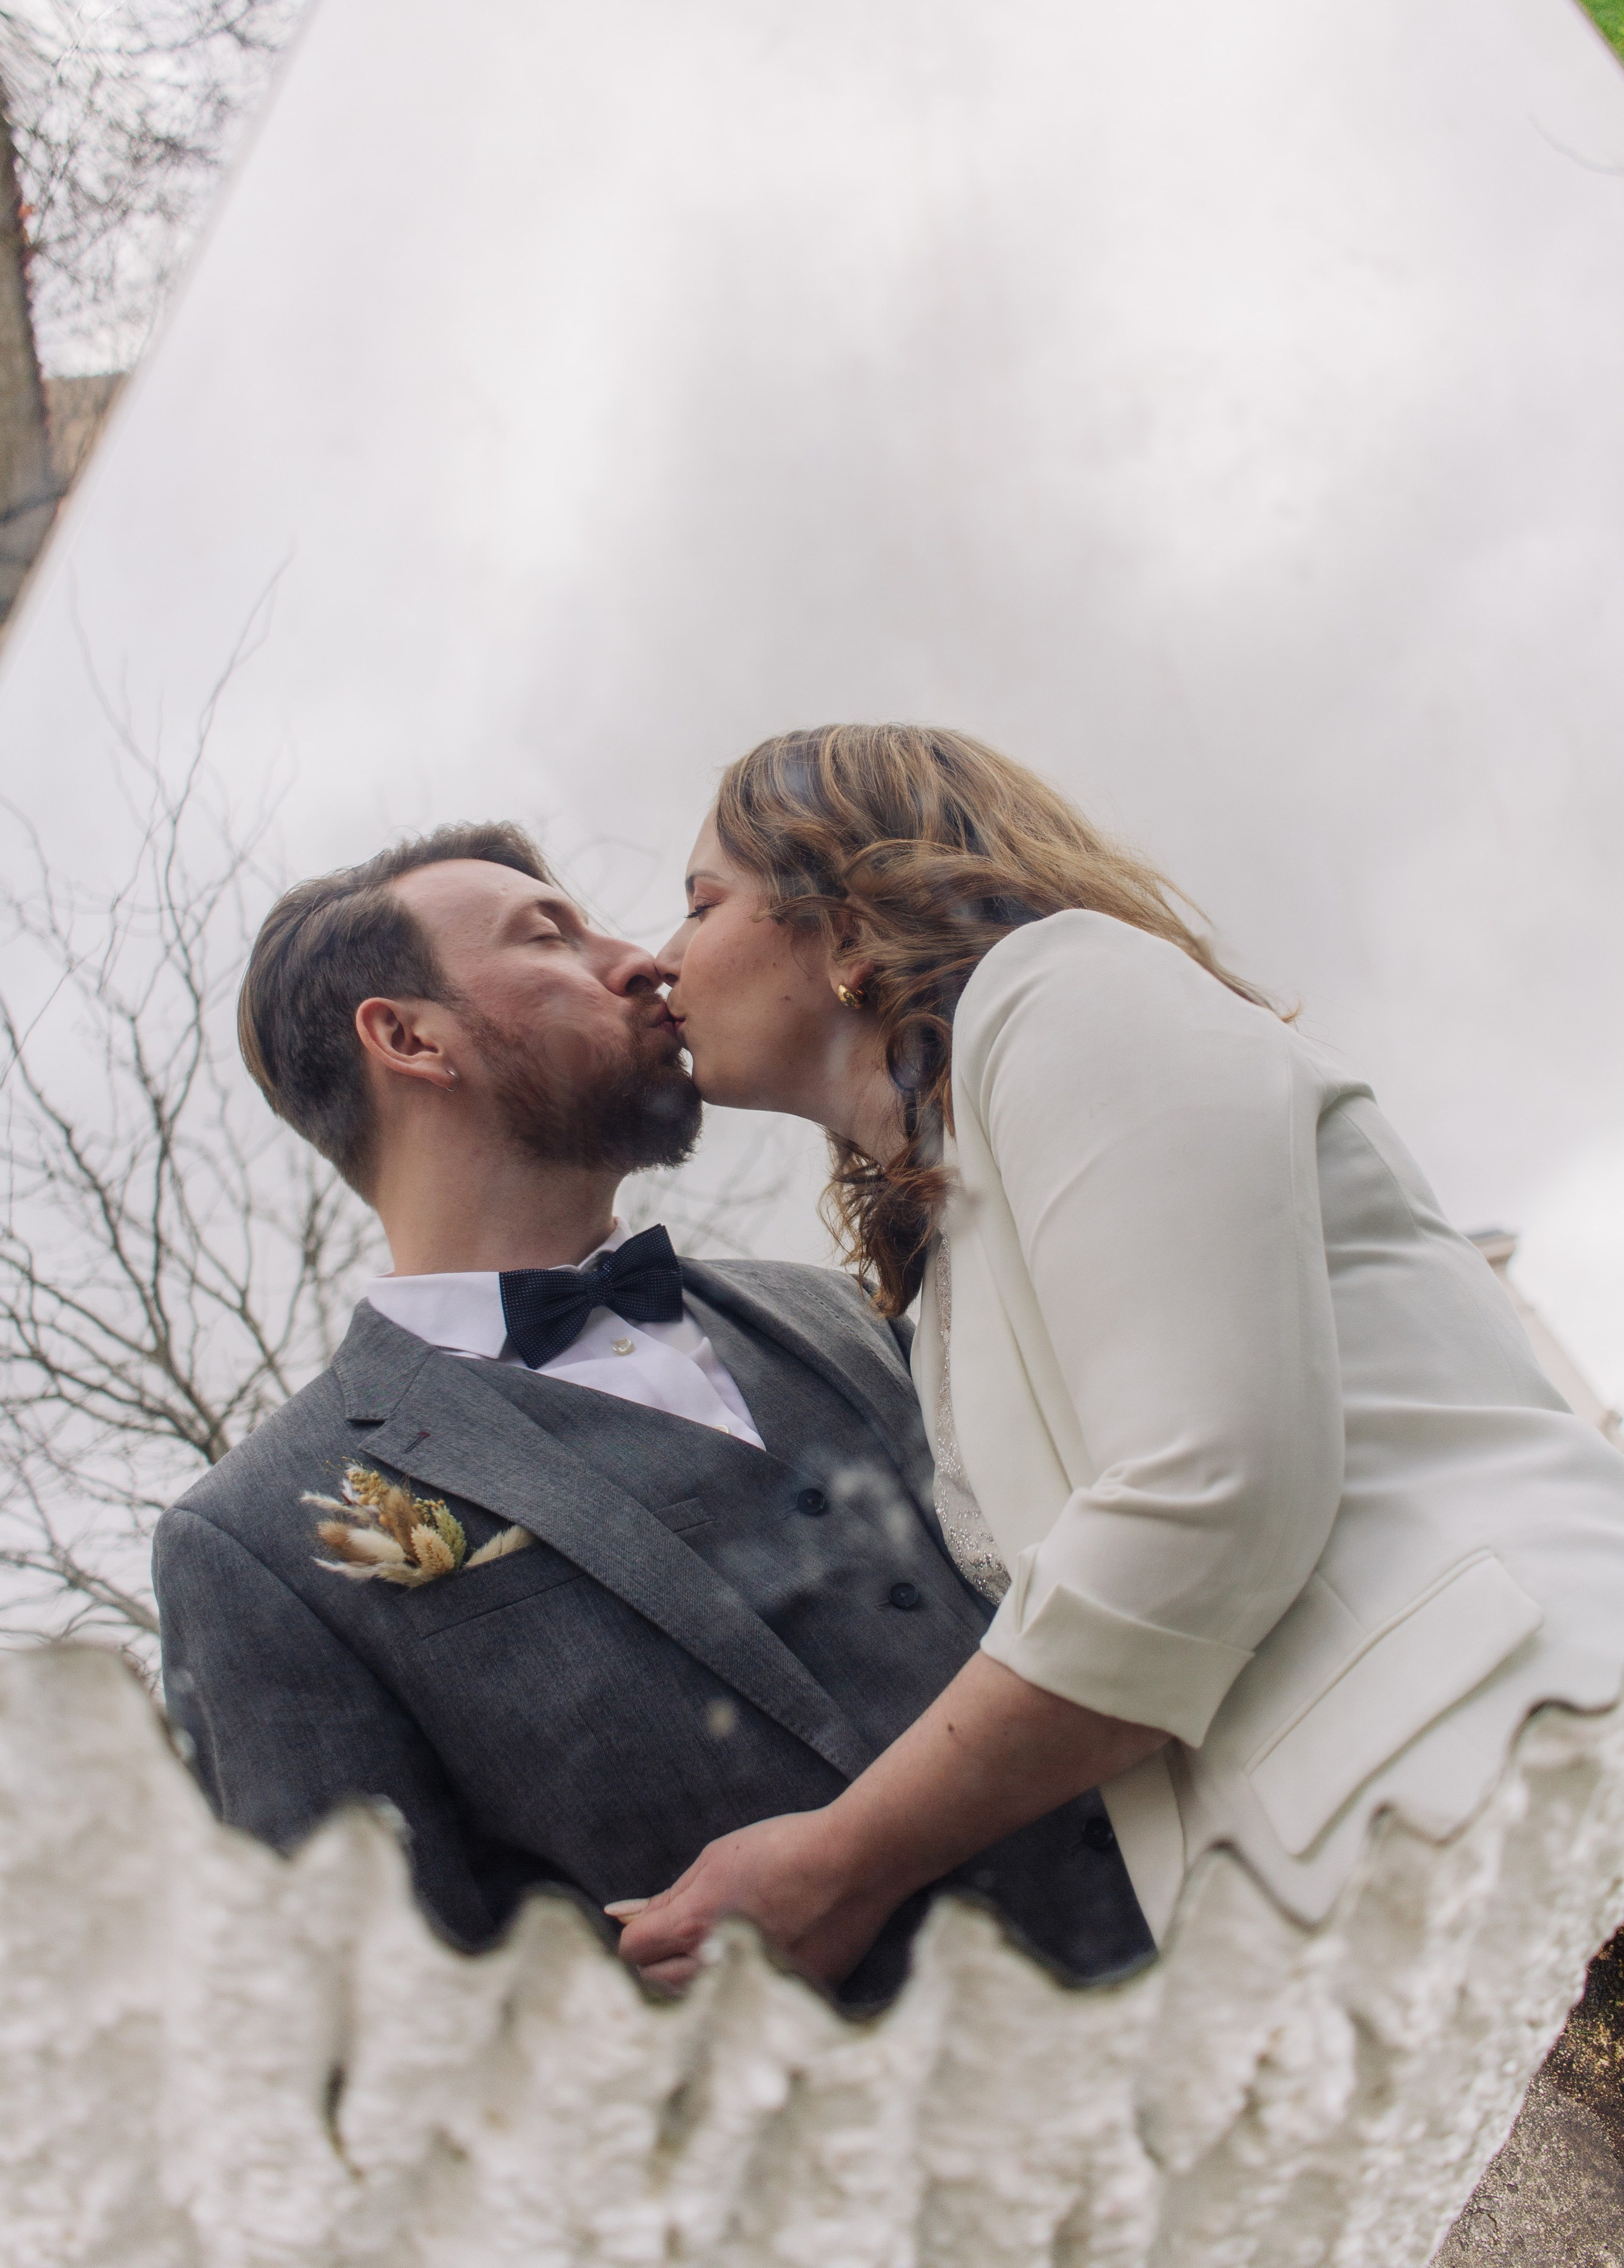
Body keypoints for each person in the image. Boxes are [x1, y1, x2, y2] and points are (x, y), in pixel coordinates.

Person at [615, 723, 1624, 1992]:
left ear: (848, 923)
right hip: (1357, 1902)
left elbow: (1208, 1494)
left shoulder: (1064, 990)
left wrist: (841, 1859)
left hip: (1525, 1790)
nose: (662, 958)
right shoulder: (944, 1257)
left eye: (701, 903)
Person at [152, 819, 1153, 2005]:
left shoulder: (835, 1311)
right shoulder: (259, 1541)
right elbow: (382, 2035)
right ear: (408, 1037)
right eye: (552, 937)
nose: (642, 961)